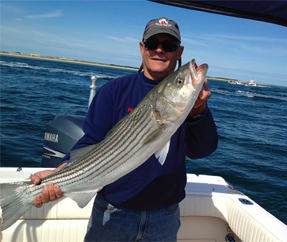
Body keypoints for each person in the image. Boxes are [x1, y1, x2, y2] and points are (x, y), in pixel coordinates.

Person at [31, 17, 218, 241]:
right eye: (152, 44)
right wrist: (60, 172)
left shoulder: (190, 103)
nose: (159, 50)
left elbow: (201, 151)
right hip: (113, 211)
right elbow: (90, 139)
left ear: (179, 52)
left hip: (165, 216)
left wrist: (198, 112)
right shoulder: (114, 90)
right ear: (142, 48)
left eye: (168, 46)